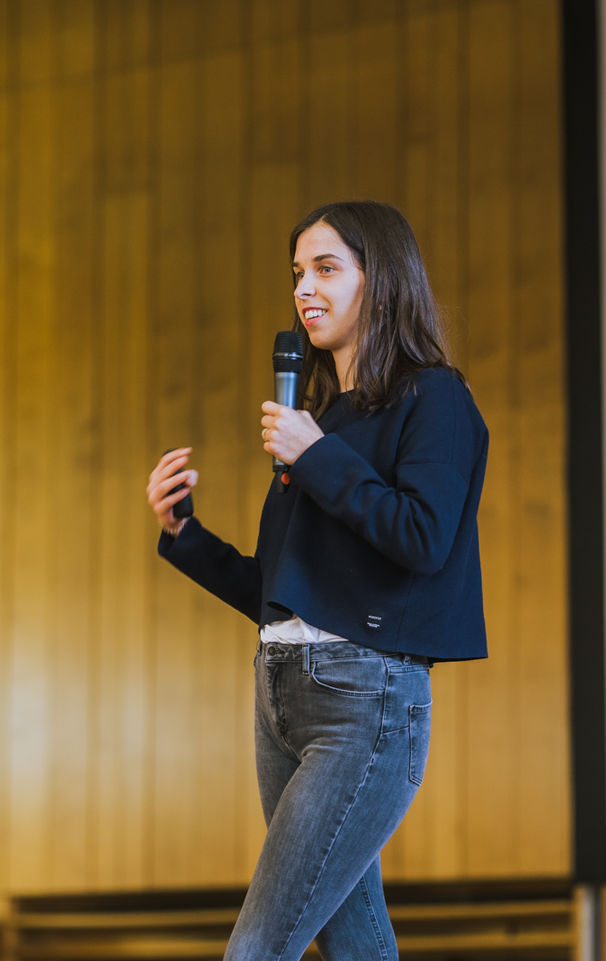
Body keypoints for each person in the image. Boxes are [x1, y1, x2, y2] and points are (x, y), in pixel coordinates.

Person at [145, 201, 488, 961]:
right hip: (280, 692)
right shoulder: (322, 427)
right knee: (353, 941)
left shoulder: (435, 400)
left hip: (363, 700)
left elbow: (424, 538)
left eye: (328, 268)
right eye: (298, 273)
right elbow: (282, 592)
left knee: (257, 948)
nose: (305, 289)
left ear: (384, 281)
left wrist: (314, 456)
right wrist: (186, 536)